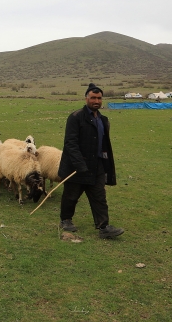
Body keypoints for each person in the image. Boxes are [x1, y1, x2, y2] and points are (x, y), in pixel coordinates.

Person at [58, 83, 124, 239]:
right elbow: (70, 143)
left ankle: (104, 227)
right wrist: (80, 164)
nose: (96, 101)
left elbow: (104, 144)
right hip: (76, 166)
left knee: (99, 196)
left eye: (99, 98)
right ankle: (66, 220)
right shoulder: (75, 117)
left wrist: (105, 164)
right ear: (86, 98)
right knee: (71, 195)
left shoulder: (103, 120)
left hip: (97, 166)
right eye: (93, 98)